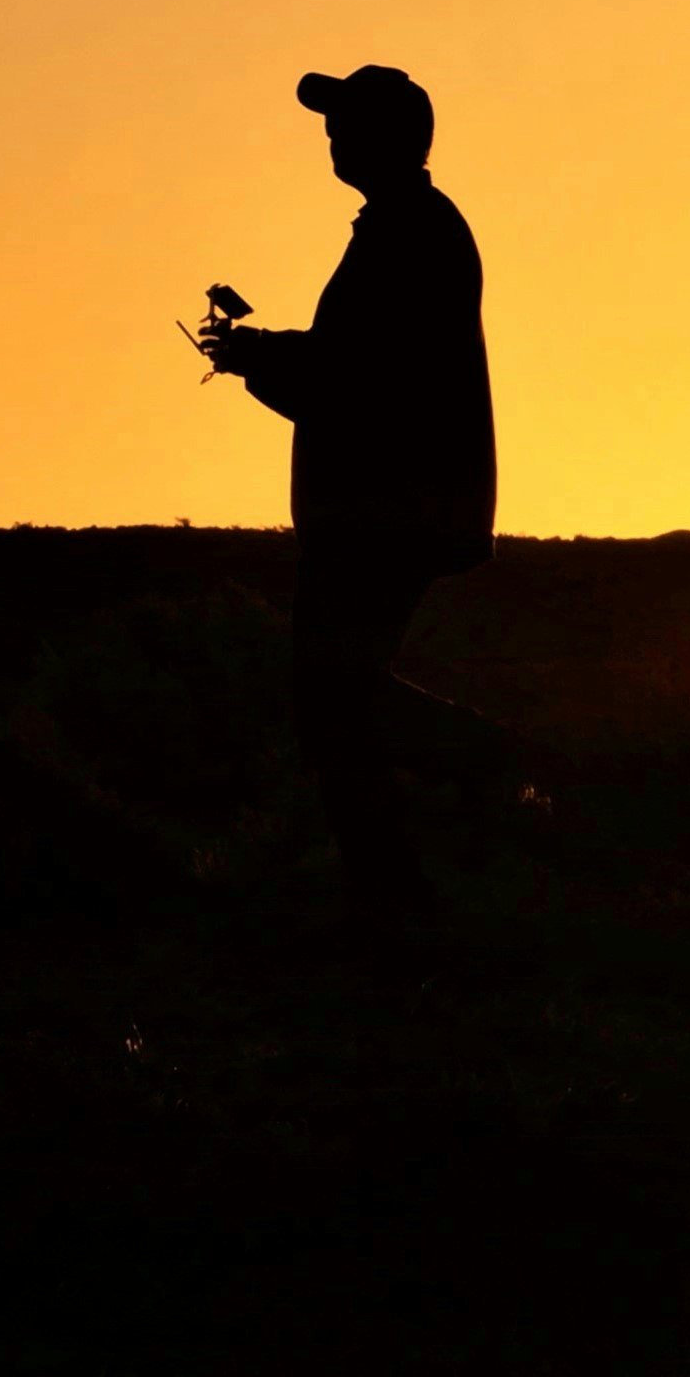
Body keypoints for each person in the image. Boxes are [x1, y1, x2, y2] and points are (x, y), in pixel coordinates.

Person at [193, 64, 498, 924]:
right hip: (390, 509)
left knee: (331, 703)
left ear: (387, 139)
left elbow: (360, 378)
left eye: (346, 124)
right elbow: (352, 363)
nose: (331, 138)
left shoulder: (411, 233)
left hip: (385, 512)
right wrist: (267, 356)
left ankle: (425, 872)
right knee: (339, 697)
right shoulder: (404, 228)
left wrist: (260, 358)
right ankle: (444, 850)